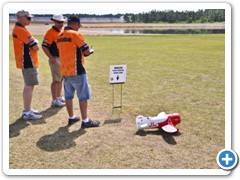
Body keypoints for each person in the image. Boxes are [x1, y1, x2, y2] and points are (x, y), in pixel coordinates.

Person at [57, 15, 98, 127]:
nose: (79, 28)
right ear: (75, 24)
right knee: (83, 96)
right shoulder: (75, 34)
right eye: (79, 26)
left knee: (68, 96)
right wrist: (91, 51)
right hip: (77, 70)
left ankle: (71, 117)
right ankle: (85, 121)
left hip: (65, 71)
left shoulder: (59, 35)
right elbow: (86, 51)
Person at [12, 10, 42, 120]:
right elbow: (36, 47)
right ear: (20, 17)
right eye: (28, 18)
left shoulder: (19, 29)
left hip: (25, 61)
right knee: (29, 86)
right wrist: (36, 41)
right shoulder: (21, 30)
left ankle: (27, 109)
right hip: (28, 62)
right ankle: (27, 112)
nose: (30, 20)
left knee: (28, 86)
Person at [42, 14, 66, 107]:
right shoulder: (50, 32)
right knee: (56, 80)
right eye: (59, 22)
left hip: (62, 58)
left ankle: (59, 96)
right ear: (54, 22)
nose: (61, 24)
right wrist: (52, 58)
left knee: (60, 79)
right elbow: (44, 46)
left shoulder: (61, 31)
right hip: (55, 58)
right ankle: (54, 100)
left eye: (62, 22)